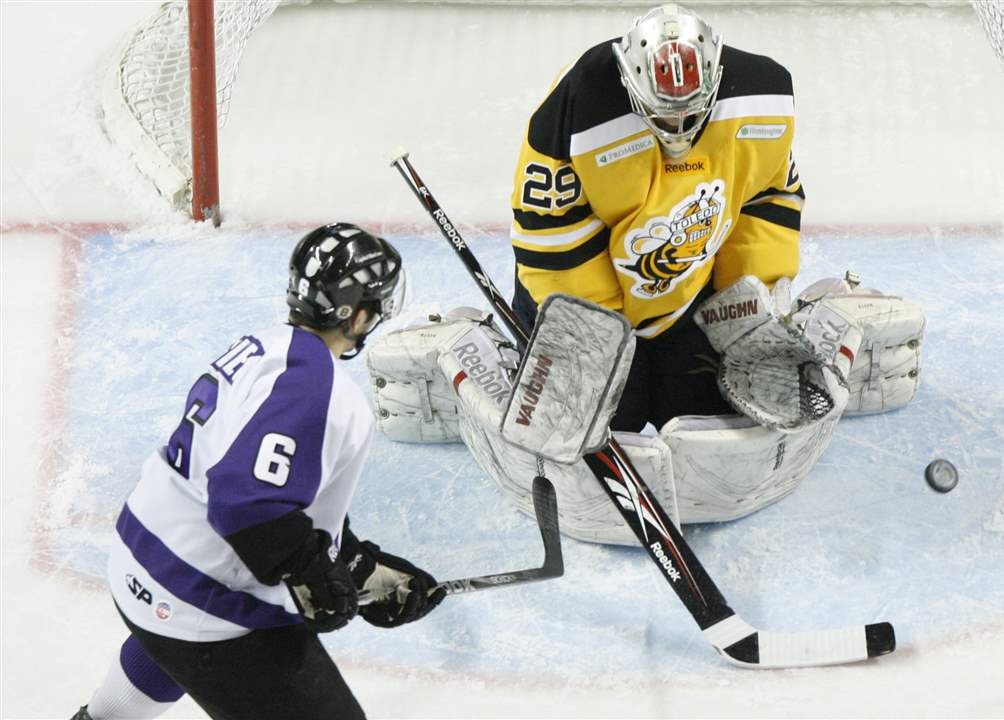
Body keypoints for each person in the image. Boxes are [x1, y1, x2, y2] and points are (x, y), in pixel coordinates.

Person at [72, 223, 445, 720]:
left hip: (139, 562)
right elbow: (246, 501)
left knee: (171, 647)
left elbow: (276, 494)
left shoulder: (260, 347)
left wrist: (358, 570)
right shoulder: (322, 391)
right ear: (357, 316)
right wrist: (316, 579)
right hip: (197, 601)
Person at [509, 2, 804, 433]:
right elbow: (554, 239)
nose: (678, 125)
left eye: (692, 111)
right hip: (585, 301)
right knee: (613, 420)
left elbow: (768, 197)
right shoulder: (579, 105)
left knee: (703, 414)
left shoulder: (761, 100)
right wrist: (601, 340)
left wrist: (745, 300)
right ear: (631, 83)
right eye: (663, 113)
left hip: (682, 297)